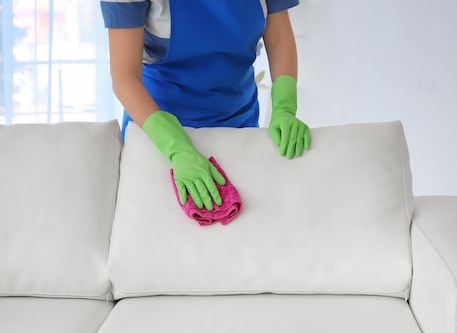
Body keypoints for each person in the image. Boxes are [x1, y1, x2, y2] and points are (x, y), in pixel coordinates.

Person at [100, 0, 311, 211]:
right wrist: (178, 149)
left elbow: (279, 38)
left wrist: (284, 107)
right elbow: (125, 77)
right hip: (158, 130)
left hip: (239, 121)